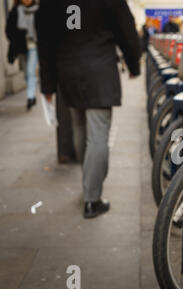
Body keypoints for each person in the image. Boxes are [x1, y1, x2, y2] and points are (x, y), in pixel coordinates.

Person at [35, 0, 142, 219]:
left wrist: (47, 84)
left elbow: (45, 41)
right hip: (99, 69)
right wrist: (133, 64)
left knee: (80, 128)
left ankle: (88, 185)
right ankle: (92, 200)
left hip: (68, 72)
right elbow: (126, 27)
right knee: (98, 135)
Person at [5, 0, 39, 110]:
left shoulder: (38, 10)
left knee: (30, 71)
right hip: (21, 47)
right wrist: (18, 36)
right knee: (26, 73)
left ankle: (30, 97)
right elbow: (9, 30)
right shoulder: (15, 11)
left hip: (34, 45)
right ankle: (31, 95)